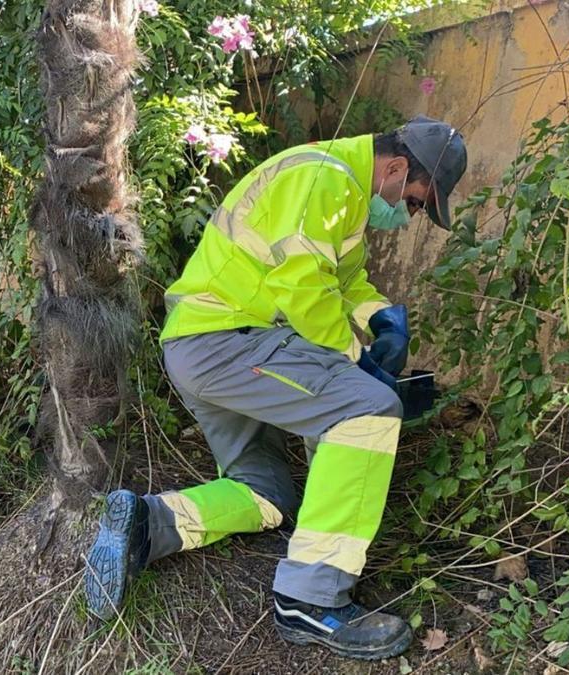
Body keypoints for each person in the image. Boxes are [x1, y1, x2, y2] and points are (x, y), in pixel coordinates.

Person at [83, 116, 468, 660]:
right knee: (369, 410)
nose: (410, 215)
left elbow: (343, 281)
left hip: (202, 347)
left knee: (265, 492)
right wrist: (362, 363)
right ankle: (310, 600)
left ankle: (149, 523)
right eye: (415, 201)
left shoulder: (342, 189)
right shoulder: (326, 179)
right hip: (230, 344)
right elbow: (304, 288)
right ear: (397, 167)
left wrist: (382, 317)